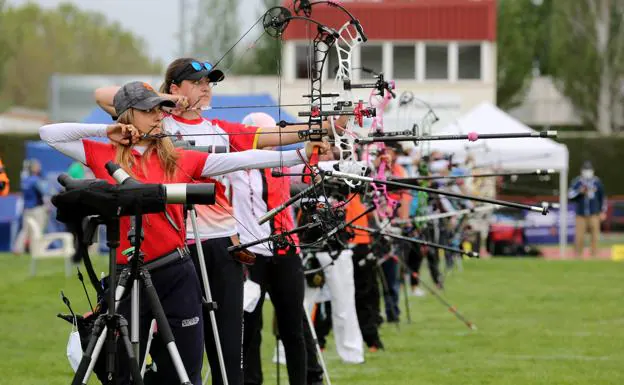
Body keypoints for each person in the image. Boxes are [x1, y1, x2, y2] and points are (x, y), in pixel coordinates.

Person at [40, 81, 328, 385]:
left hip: (176, 272)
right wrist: (105, 131)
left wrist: (302, 154)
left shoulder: (177, 157)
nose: (158, 115)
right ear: (127, 115)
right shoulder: (103, 154)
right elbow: (49, 134)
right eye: (148, 109)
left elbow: (242, 159)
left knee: (185, 371)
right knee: (120, 371)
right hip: (128, 274)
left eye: (160, 109)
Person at [568, 161, 607, 258]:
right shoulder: (577, 181)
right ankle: (578, 256)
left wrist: (603, 211)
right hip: (580, 214)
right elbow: (570, 195)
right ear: (581, 171)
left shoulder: (597, 182)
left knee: (595, 236)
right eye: (585, 170)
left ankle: (594, 255)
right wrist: (579, 192)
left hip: (594, 214)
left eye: (589, 170)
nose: (587, 172)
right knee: (579, 237)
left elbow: (602, 198)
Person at [13, 159, 49, 255]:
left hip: (26, 209)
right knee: (37, 230)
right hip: (37, 209)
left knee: (25, 230)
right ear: (35, 168)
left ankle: (18, 248)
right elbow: (44, 192)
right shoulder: (36, 180)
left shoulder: (25, 180)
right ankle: (36, 250)